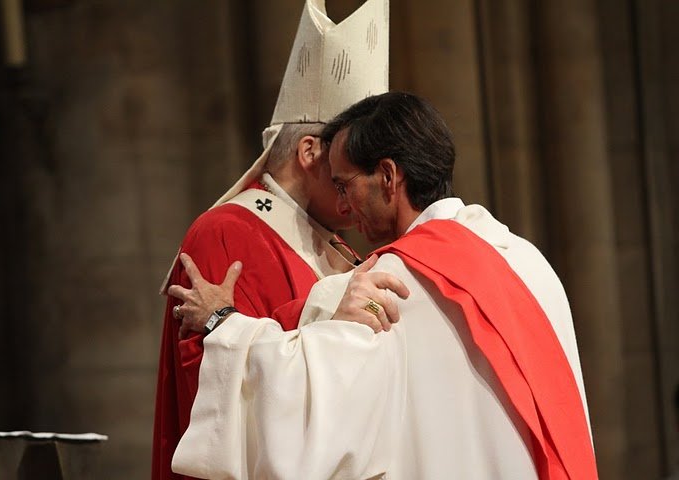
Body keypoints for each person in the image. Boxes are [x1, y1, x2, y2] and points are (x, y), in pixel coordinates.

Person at [169, 92, 598, 479]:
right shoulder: (527, 260)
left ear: (388, 176)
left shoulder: (388, 284)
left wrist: (222, 322)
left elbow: (306, 423)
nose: (340, 205)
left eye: (344, 185)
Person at [150, 0, 390, 478]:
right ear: (309, 152)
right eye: (352, 166)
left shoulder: (338, 246)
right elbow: (214, 401)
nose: (362, 185)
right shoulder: (225, 234)